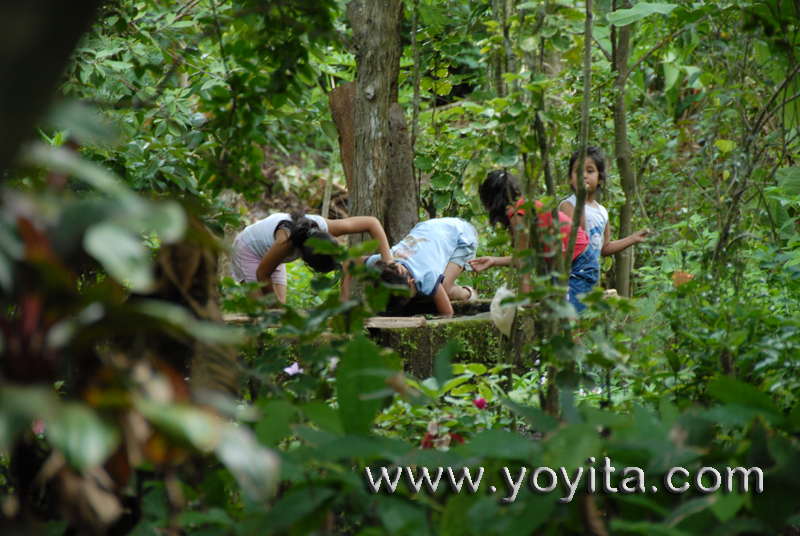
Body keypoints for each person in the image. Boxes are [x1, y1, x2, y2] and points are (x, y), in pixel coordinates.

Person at [468, 170, 597, 313]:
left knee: (567, 317)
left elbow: (524, 262)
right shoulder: (521, 210)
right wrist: (493, 261)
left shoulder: (518, 213)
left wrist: (525, 303)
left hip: (579, 262)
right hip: (562, 263)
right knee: (555, 315)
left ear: (492, 201)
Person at [230, 211, 394, 303]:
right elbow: (262, 273)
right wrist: (277, 306)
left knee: (279, 309)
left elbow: (372, 223)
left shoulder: (325, 227)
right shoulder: (286, 243)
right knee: (265, 311)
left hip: (271, 253)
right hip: (248, 250)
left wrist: (389, 262)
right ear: (304, 259)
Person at [341, 218, 479, 317]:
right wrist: (344, 298)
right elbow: (349, 262)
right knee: (426, 293)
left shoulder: (428, 276)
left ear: (411, 281)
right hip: (430, 229)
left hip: (463, 236)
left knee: (445, 289)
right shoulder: (385, 263)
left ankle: (469, 293)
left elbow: (448, 312)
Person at [558, 146, 650, 288]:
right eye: (578, 171)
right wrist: (581, 198)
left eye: (589, 171)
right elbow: (578, 241)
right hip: (571, 279)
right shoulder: (567, 206)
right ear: (570, 178)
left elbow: (604, 248)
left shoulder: (602, 212)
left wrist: (633, 238)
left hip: (591, 279)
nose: (584, 176)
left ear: (600, 178)